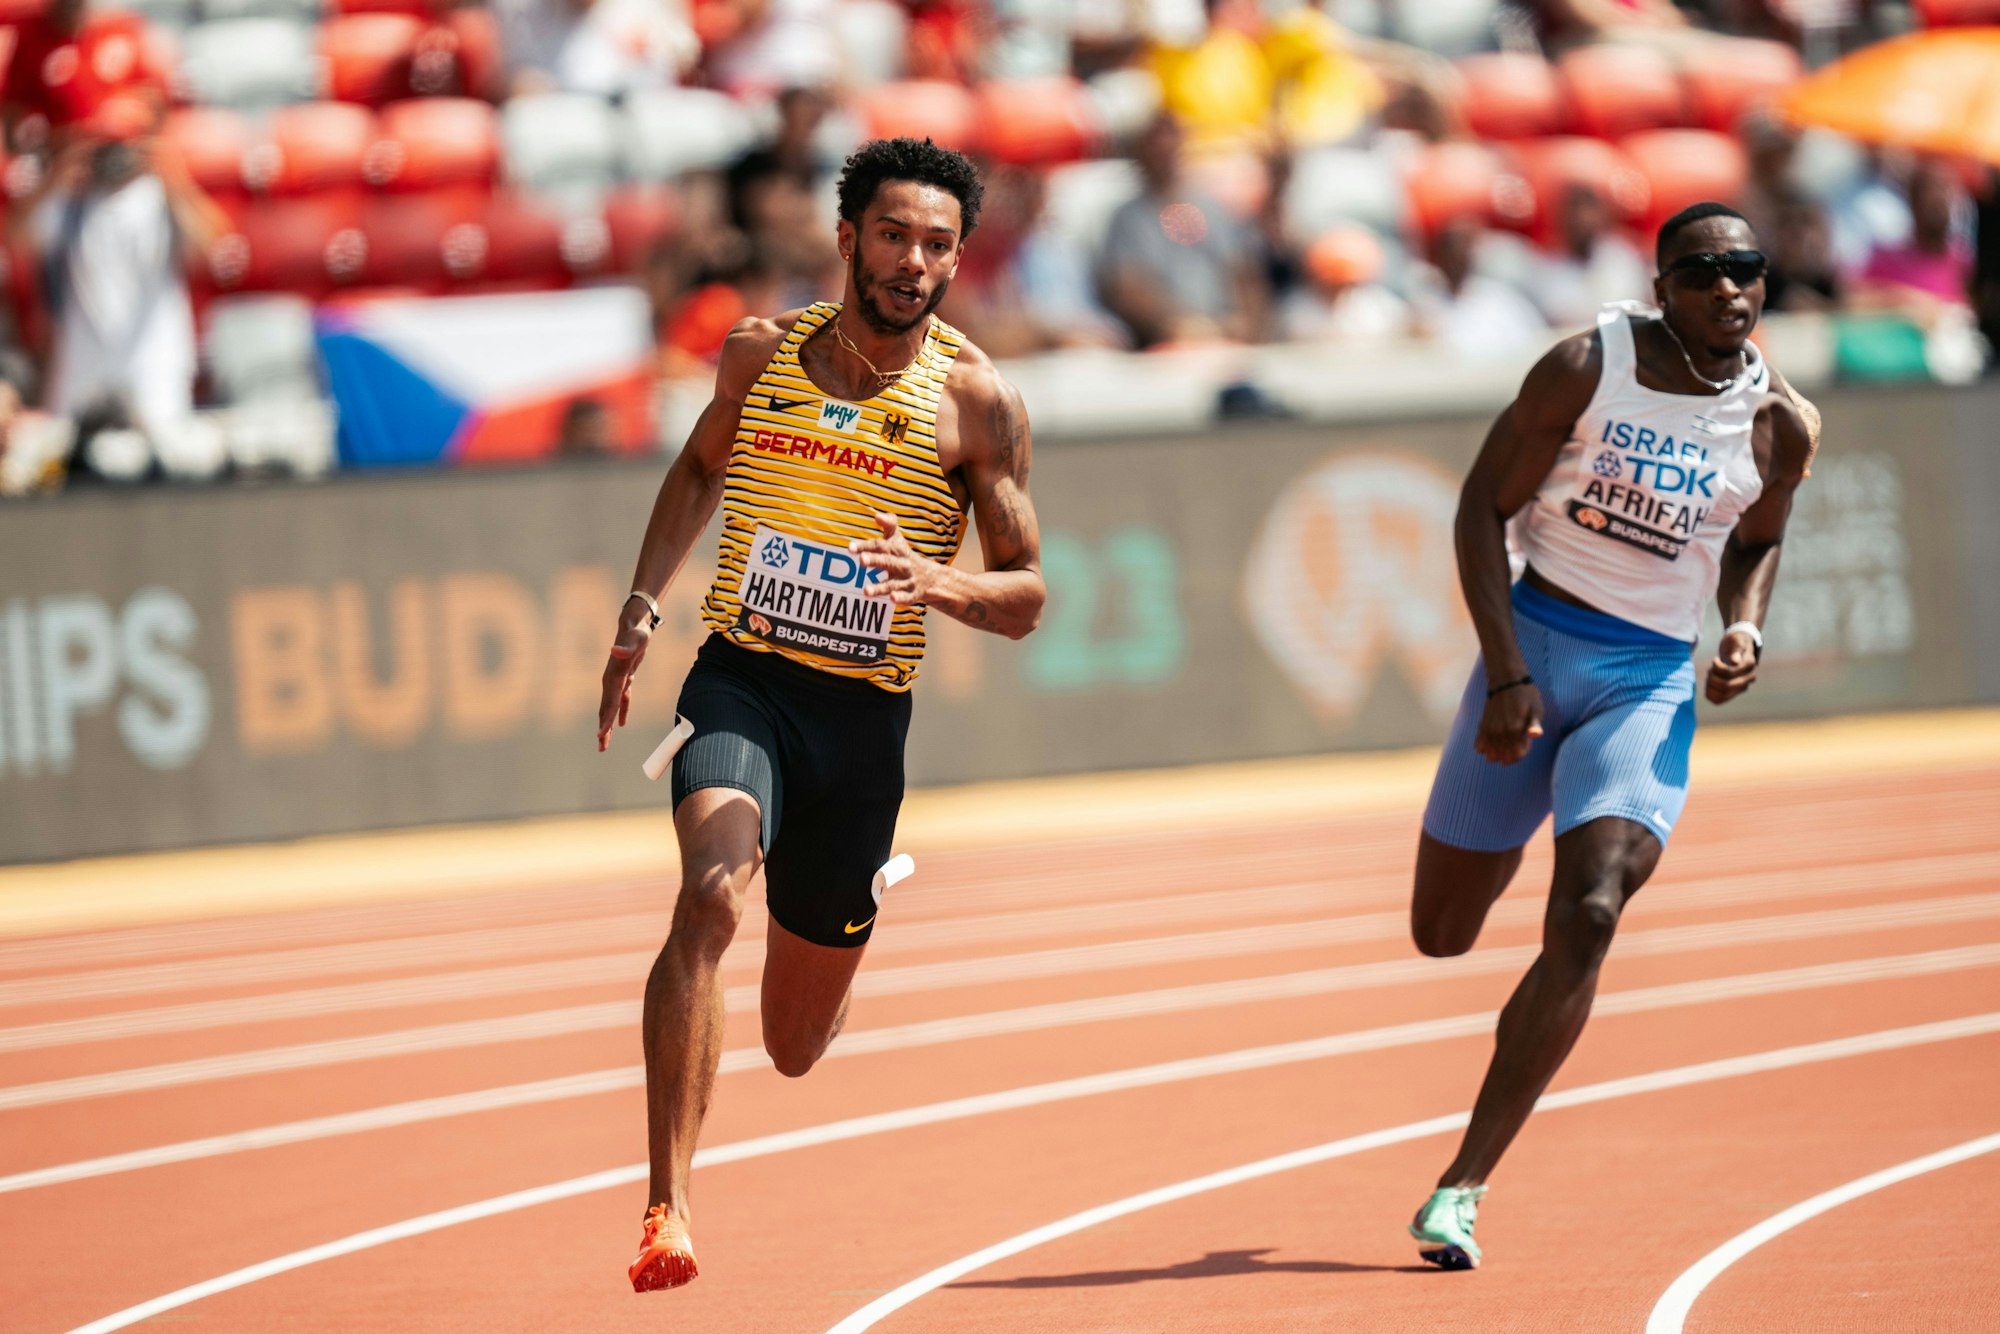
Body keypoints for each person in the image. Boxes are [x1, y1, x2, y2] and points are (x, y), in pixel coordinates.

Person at [595, 137, 1046, 1292]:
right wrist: (643, 607)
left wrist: (939, 583)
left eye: (937, 244)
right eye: (893, 235)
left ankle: (851, 905)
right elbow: (698, 470)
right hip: (743, 679)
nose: (912, 261)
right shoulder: (760, 353)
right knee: (707, 895)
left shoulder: (976, 401)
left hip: (859, 729)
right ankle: (668, 1203)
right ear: (846, 238)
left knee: (794, 1047)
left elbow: (1025, 591)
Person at [1405, 202, 1818, 1270]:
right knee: (1441, 933)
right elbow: (1473, 510)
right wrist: (1502, 673)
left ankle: (1460, 1184)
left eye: (1745, 269)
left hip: (1643, 678)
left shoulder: (1780, 423)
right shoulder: (1585, 367)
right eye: (1702, 272)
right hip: (1534, 641)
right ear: (1659, 286)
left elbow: (1757, 539)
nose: (1728, 288)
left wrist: (1742, 623)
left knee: (1589, 908)